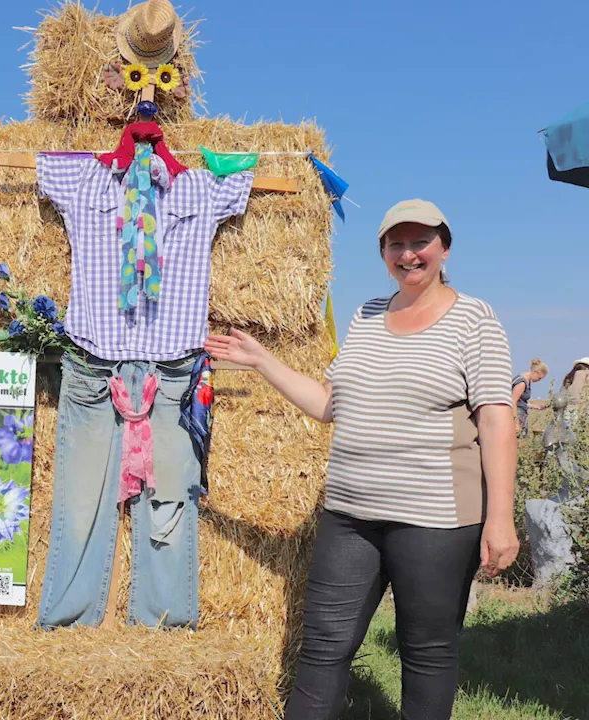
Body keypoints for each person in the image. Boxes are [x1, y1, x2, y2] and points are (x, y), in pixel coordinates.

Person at [206, 199, 518, 720]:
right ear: (382, 252)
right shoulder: (367, 314)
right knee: (323, 648)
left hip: (436, 519)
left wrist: (501, 517)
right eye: (396, 243)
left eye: (421, 242)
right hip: (350, 514)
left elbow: (495, 418)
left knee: (426, 653)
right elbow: (331, 403)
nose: (409, 254)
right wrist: (262, 361)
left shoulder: (474, 318)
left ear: (444, 248)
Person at [512, 358, 548, 437]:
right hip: (517, 415)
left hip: (522, 415)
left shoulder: (527, 381)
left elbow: (521, 401)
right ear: (535, 372)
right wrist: (516, 423)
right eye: (539, 378)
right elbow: (513, 401)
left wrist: (536, 407)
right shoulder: (522, 383)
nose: (539, 380)